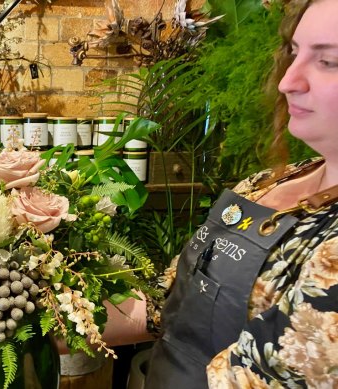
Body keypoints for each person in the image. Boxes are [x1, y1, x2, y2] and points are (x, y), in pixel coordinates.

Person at [145, 0, 338, 387]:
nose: (287, 82)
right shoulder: (267, 182)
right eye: (294, 54)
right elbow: (172, 300)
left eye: (329, 62)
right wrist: (61, 309)